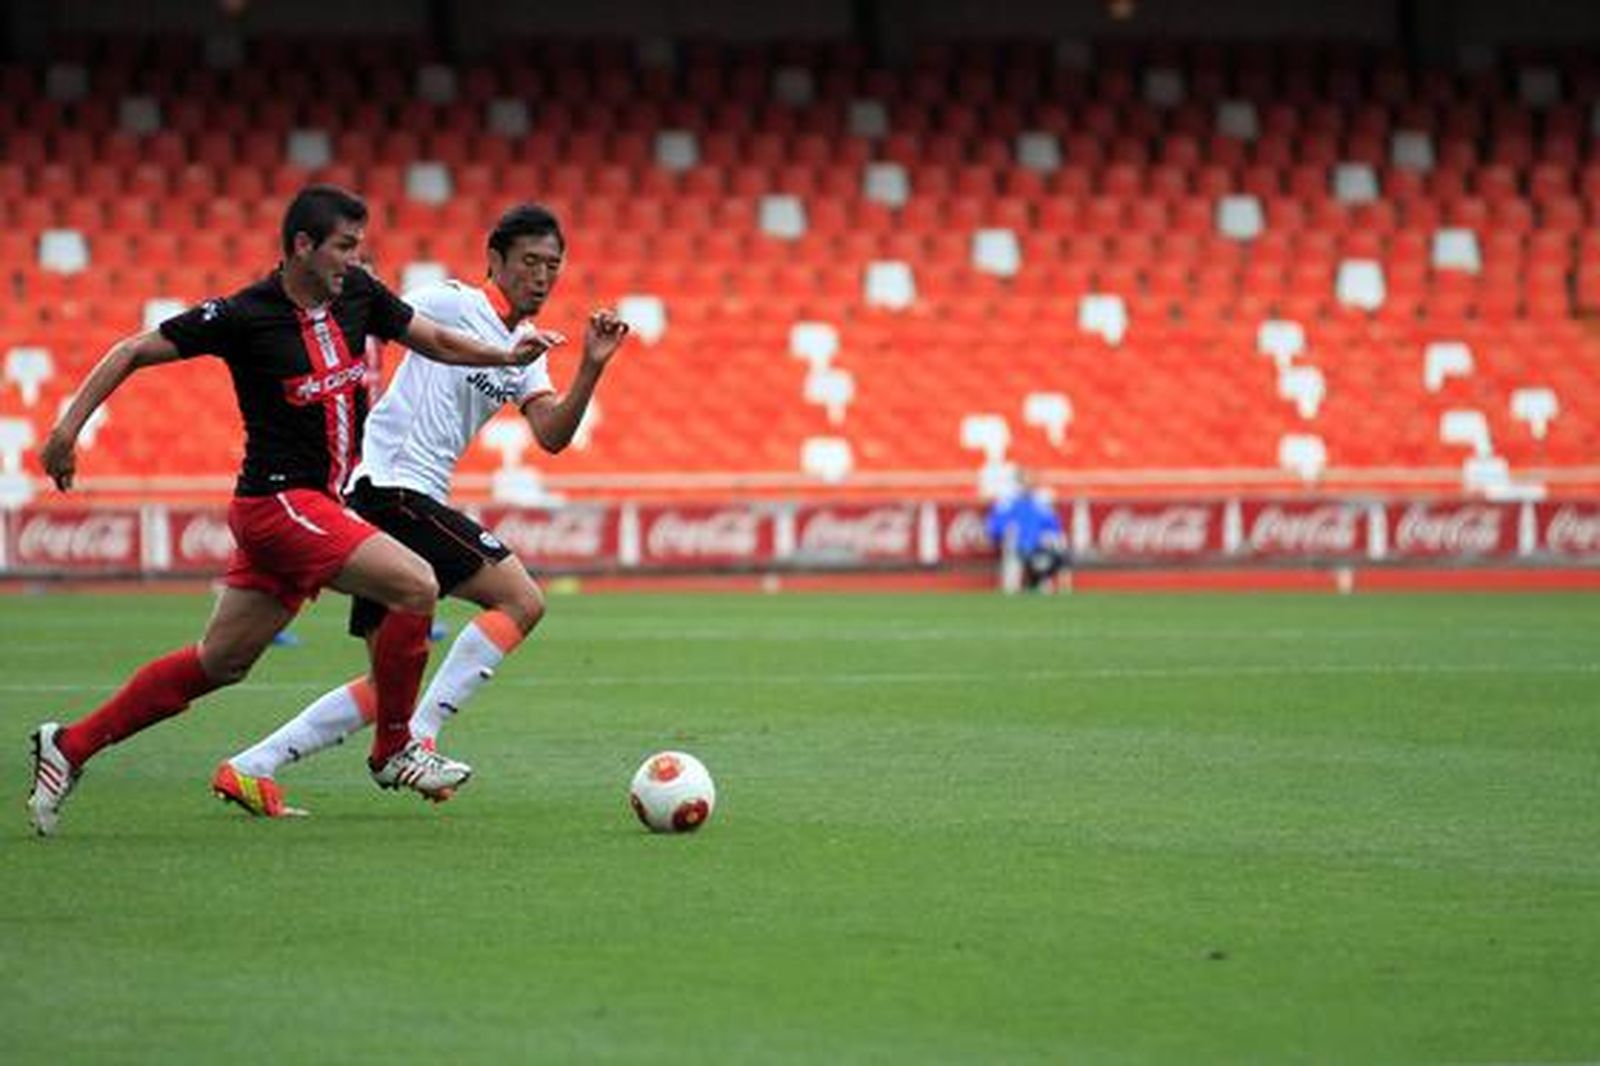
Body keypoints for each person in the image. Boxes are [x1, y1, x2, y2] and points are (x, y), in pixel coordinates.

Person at [25, 184, 563, 837]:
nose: (353, 260)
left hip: (311, 506)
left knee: (220, 662)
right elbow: (133, 350)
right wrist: (65, 431)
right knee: (415, 582)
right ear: (302, 247)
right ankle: (396, 750)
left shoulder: (360, 294)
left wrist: (506, 355)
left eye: (357, 247)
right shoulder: (246, 315)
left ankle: (70, 746)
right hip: (280, 501)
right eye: (342, 247)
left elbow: (437, 342)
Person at [211, 203, 629, 817]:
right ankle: (415, 744)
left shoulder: (527, 351)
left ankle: (250, 768)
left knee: (389, 687)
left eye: (553, 266)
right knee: (521, 599)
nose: (541, 277)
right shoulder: (450, 302)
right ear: (494, 260)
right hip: (389, 488)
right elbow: (369, 307)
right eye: (530, 262)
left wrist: (590, 368)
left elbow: (552, 436)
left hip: (403, 496)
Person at [985, 469, 1069, 593]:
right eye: (1024, 481)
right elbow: (994, 524)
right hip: (1016, 545)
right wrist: (1005, 531)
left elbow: (1054, 524)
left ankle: (1053, 587)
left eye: (1030, 480)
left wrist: (1053, 537)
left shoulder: (1040, 502)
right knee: (1015, 552)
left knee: (1050, 554)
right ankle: (1012, 589)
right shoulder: (1008, 502)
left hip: (1039, 546)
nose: (1028, 484)